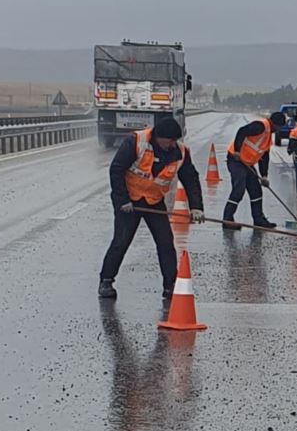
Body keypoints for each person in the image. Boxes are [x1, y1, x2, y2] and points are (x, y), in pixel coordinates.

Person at [98, 118, 205, 300]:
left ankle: (170, 286)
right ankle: (106, 280)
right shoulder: (136, 142)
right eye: (169, 140)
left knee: (165, 243)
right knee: (121, 241)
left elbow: (190, 180)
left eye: (175, 141)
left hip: (154, 201)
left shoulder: (180, 153)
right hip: (129, 202)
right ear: (158, 137)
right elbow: (116, 170)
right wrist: (122, 200)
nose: (172, 144)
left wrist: (196, 207)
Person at [223, 112, 286, 229]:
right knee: (239, 189)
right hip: (236, 160)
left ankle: (258, 219)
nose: (278, 130)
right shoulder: (260, 126)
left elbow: (264, 157)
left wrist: (264, 175)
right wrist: (237, 150)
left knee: (256, 191)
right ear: (275, 124)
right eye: (279, 127)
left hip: (247, 163)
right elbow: (242, 131)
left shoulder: (267, 137)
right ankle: (227, 219)